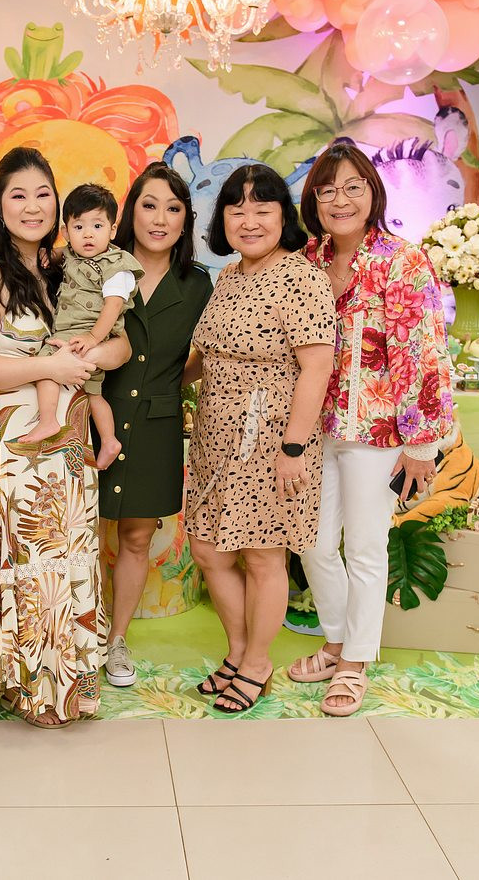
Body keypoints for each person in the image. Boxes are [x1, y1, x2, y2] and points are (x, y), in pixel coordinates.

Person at [0, 146, 132, 728]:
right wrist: (50, 366)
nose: (32, 206)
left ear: (58, 204)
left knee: (63, 563)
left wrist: (94, 353)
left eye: (43, 194)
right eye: (18, 195)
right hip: (14, 448)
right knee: (24, 561)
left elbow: (122, 343)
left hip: (69, 446)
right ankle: (23, 688)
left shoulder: (68, 266)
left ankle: (61, 688)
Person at [289, 140, 453, 717]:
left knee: (363, 546)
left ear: (372, 193)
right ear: (313, 200)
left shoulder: (402, 261)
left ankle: (355, 661)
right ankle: (336, 641)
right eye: (327, 189)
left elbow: (424, 353)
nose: (340, 200)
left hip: (379, 430)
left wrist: (423, 444)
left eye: (352, 187)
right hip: (314, 428)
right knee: (310, 542)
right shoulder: (306, 260)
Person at [186, 164, 335, 714]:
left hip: (270, 438)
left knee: (262, 556)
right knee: (207, 549)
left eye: (262, 209)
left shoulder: (301, 277)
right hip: (214, 435)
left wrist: (293, 449)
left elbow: (317, 368)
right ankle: (238, 652)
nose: (248, 221)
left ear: (283, 217)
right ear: (222, 220)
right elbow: (204, 356)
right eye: (236, 209)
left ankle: (256, 664)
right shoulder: (228, 276)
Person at [99, 163, 211, 688]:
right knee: (74, 531)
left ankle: (116, 641)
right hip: (93, 414)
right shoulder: (98, 267)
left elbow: (204, 355)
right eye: (149, 205)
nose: (160, 218)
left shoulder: (198, 284)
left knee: (138, 536)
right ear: (131, 213)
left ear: (186, 219)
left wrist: (169, 384)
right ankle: (68, 634)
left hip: (156, 425)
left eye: (173, 208)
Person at [19, 183, 142, 471]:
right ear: (66, 231)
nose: (88, 234)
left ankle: (48, 420)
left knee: (46, 368)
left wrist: (93, 337)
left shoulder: (117, 266)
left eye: (97, 226)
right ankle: (109, 440)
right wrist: (52, 255)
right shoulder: (73, 254)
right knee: (93, 393)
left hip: (90, 335)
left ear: (112, 230)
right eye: (79, 227)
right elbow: (64, 253)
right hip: (78, 336)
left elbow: (113, 306)